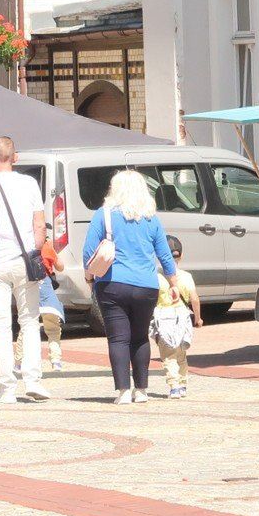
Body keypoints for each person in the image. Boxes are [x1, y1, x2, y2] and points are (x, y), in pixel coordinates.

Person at [83, 169, 178, 406]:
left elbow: (88, 252)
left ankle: (123, 391)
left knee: (118, 339)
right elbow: (165, 255)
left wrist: (89, 277)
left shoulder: (103, 215)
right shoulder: (151, 218)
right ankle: (142, 390)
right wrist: (173, 283)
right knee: (140, 337)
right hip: (146, 286)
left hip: (112, 284)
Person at [0, 137, 50, 404]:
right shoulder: (29, 184)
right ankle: (33, 380)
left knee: (1, 326)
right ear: (15, 157)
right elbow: (40, 225)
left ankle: (6, 388)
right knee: (29, 320)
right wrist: (35, 252)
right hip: (24, 259)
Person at [152, 266, 199, 399]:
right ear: (181, 256)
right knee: (181, 354)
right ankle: (183, 384)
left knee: (168, 355)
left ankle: (174, 386)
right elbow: (194, 299)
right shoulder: (186, 276)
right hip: (182, 316)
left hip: (164, 317)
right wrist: (198, 318)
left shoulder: (157, 276)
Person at [14, 267, 66, 376]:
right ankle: (56, 361)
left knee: (25, 329)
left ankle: (18, 363)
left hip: (30, 299)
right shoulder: (46, 255)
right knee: (53, 331)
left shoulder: (22, 264)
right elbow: (60, 266)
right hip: (49, 304)